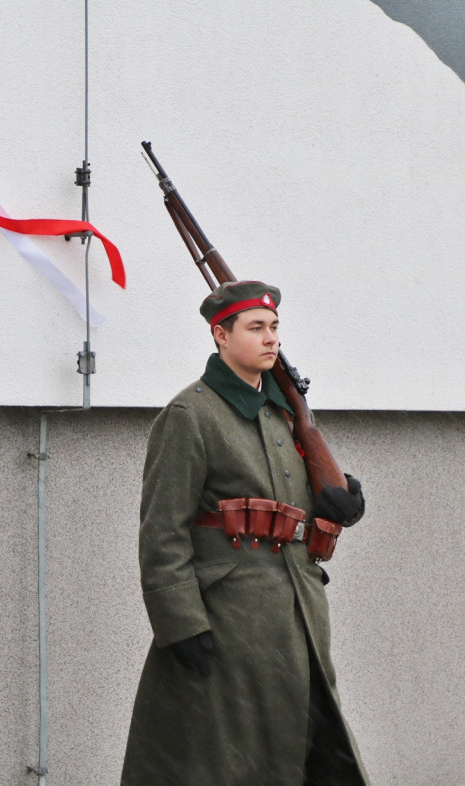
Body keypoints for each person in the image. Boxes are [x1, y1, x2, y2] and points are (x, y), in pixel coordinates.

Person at [121, 281, 368, 785]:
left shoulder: (284, 413)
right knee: (227, 765)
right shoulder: (189, 416)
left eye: (274, 328)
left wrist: (343, 497)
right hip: (228, 625)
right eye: (255, 328)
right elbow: (163, 533)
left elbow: (299, 499)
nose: (270, 338)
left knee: (313, 759)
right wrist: (181, 626)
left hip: (297, 619)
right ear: (220, 335)